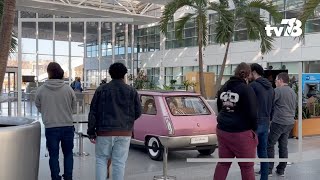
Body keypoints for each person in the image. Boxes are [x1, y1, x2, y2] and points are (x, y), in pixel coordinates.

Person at [87, 62, 142, 180]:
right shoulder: (132, 91)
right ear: (124, 75)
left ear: (110, 74)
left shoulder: (101, 90)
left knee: (101, 160)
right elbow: (138, 112)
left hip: (103, 132)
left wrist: (91, 132)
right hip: (124, 133)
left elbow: (93, 112)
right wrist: (127, 122)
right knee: (119, 162)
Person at [213, 62, 258, 180]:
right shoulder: (247, 89)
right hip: (241, 133)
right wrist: (254, 131)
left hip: (222, 130)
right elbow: (253, 113)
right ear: (248, 75)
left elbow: (219, 107)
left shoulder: (224, 86)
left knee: (223, 163)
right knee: (247, 166)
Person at [35, 62, 76, 180]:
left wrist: (48, 113)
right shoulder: (68, 89)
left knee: (53, 155)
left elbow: (38, 106)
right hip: (67, 126)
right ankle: (68, 177)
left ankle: (55, 177)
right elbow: (73, 107)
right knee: (68, 154)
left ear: (48, 73)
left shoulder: (41, 90)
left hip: (51, 127)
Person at [267, 72, 297, 177]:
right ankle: (281, 170)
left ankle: (268, 169)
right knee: (283, 146)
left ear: (280, 80)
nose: (275, 83)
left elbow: (269, 104)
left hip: (279, 121)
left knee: (269, 144)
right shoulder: (293, 92)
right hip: (289, 122)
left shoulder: (278, 90)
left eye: (275, 81)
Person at [249, 63, 274, 180]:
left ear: (253, 72)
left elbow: (248, 105)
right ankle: (264, 178)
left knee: (249, 152)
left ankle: (248, 176)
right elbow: (273, 107)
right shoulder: (270, 87)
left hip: (255, 123)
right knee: (263, 151)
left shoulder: (253, 86)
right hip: (266, 122)